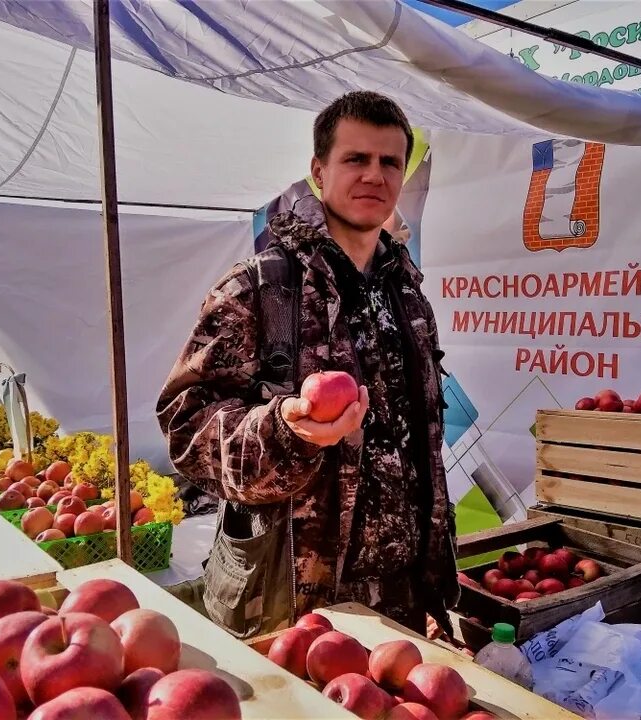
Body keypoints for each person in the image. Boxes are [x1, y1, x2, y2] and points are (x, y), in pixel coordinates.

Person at [156, 91, 458, 638]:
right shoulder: (260, 287)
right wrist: (284, 431)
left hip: (402, 597)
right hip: (293, 599)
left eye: (390, 162)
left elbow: (420, 444)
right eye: (355, 159)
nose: (374, 175)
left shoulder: (409, 296)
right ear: (319, 172)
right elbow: (185, 427)